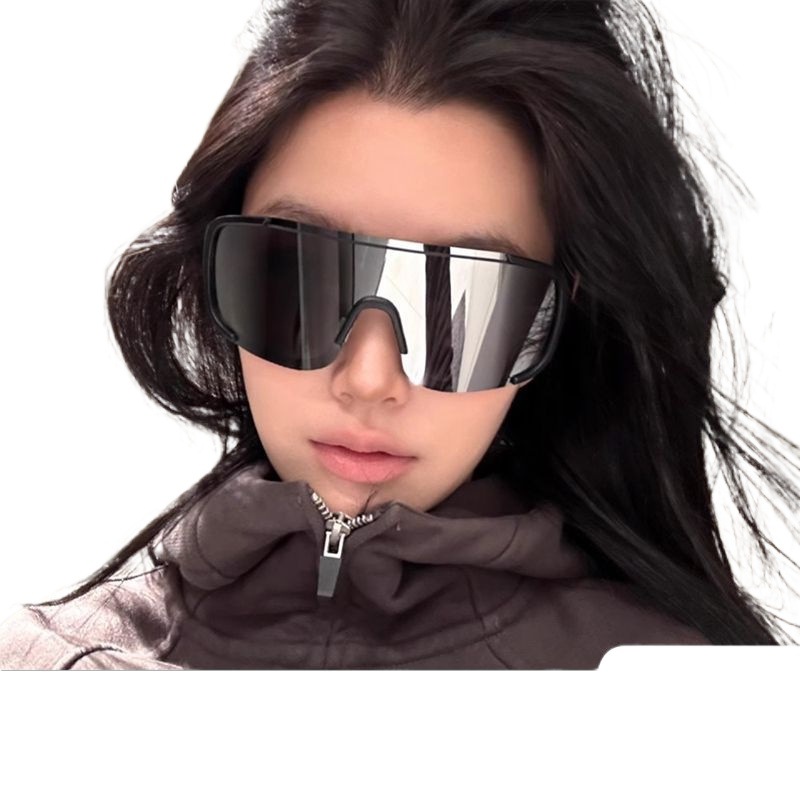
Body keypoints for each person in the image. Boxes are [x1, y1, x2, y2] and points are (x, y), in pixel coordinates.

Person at [1, 0, 798, 670]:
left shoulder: (683, 712)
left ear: (555, 321)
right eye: (301, 278)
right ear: (216, 270)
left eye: (464, 303)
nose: (368, 378)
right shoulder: (45, 682)